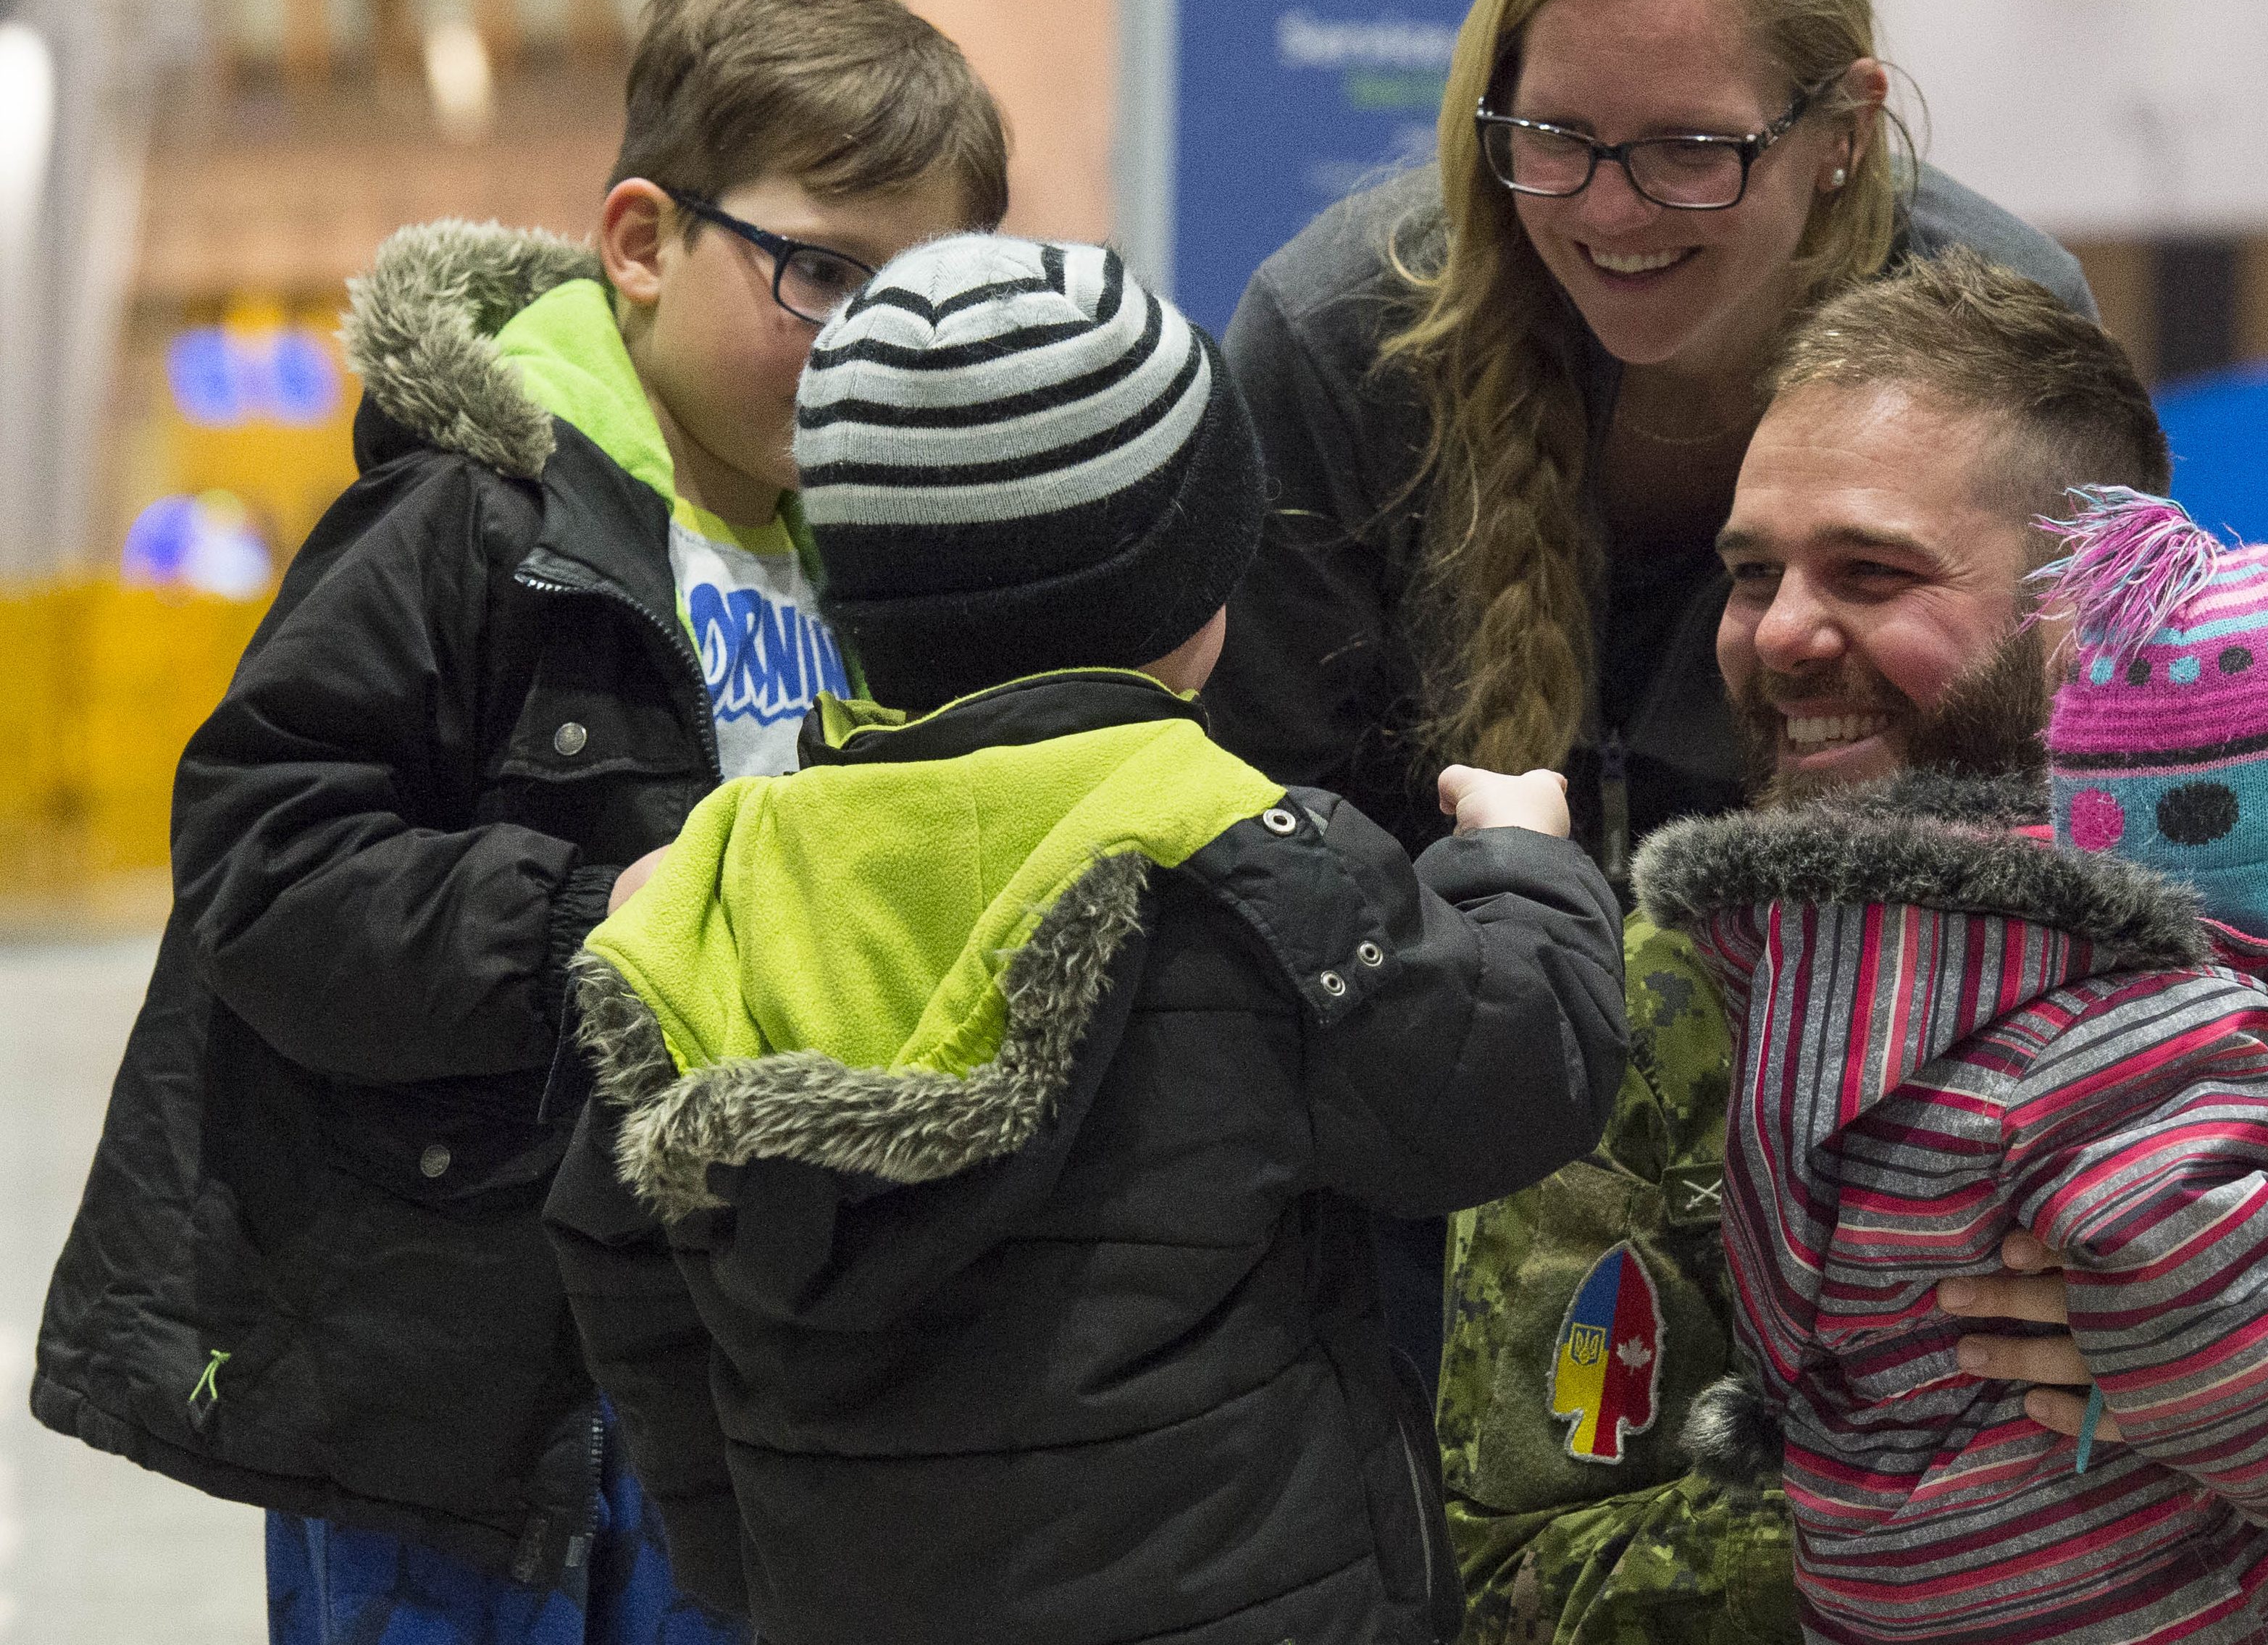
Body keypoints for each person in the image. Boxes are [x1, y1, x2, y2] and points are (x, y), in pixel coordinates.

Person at [1439, 253, 2268, 1645]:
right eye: (1753, 575)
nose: (1780, 632)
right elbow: (1518, 1583)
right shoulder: (1664, 996)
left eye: (1870, 572)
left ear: (2086, 614)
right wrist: (1966, 1477)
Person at [31, 0, 1005, 1645]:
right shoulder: (467, 527)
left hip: (751, 1349)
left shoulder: (883, 577)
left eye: (924, 297)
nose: (868, 344)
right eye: (821, 273)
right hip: (470, 1390)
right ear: (643, 243)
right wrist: (581, 926)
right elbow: (266, 866)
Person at [540, 233, 1631, 1645]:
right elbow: (1515, 1077)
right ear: (1198, 594)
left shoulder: (716, 894)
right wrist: (1517, 863)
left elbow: (615, 1252)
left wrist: (743, 1550)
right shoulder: (1249, 867)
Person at [1204, 0, 2093, 1382]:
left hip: (1878, 1171)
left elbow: (2072, 810)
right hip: (1421, 1183)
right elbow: (1263, 842)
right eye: (1552, 136)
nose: (1609, 212)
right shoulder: (1343, 341)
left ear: (1842, 128)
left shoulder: (1997, 345)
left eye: (1690, 149)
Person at [1641, 472, 2268, 1645]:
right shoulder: (2159, 1036)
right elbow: (2237, 1339)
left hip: (1913, 1572)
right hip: (2126, 1585)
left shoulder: (1936, 974)